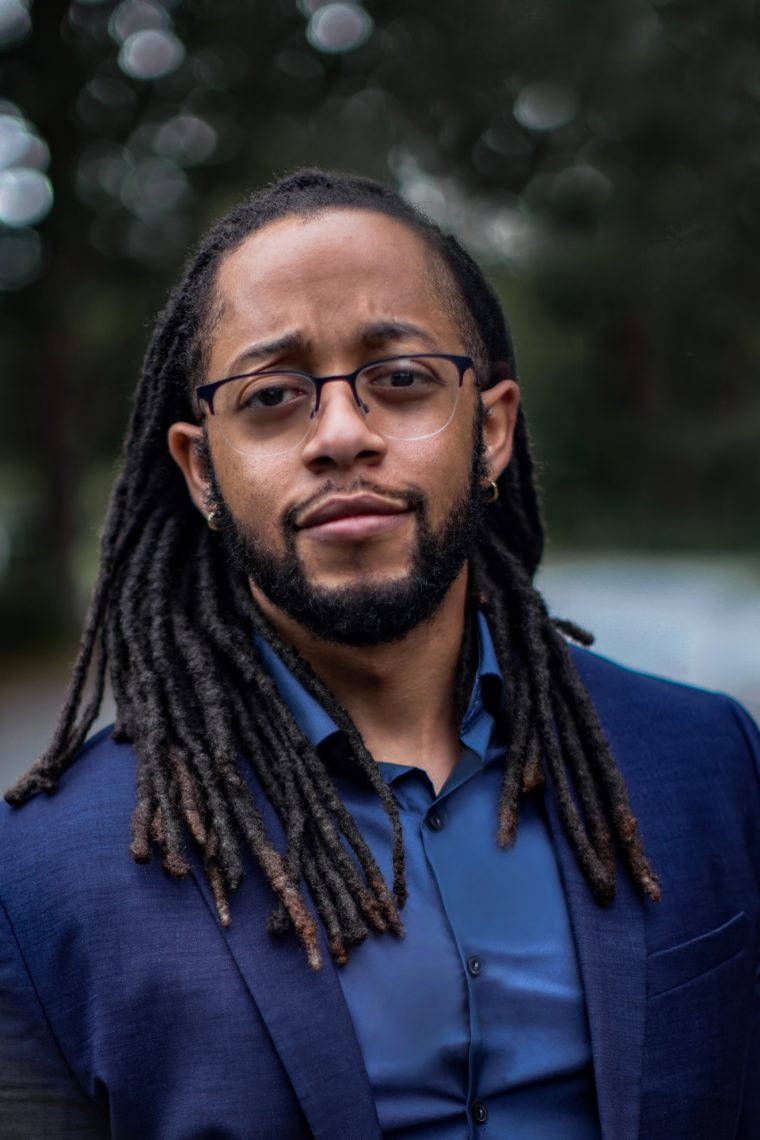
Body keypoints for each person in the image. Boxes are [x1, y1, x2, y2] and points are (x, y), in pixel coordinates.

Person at [0, 169, 758, 1140]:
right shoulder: (41, 873)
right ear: (201, 469)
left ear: (490, 430)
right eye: (273, 395)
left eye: (398, 380)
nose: (343, 434)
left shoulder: (707, 764)